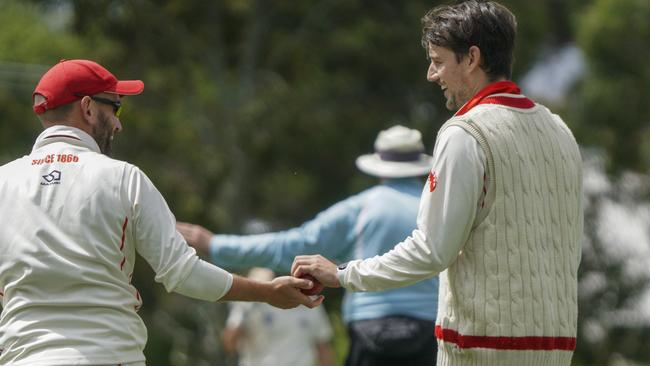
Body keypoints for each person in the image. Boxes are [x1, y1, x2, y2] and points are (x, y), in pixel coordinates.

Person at [291, 1, 583, 365]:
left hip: (481, 348)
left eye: (439, 60)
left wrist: (343, 274)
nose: (432, 74)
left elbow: (431, 250)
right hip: (555, 347)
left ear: (472, 58)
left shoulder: (466, 132)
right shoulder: (560, 131)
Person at [0, 59, 322, 366]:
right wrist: (267, 292)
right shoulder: (123, 178)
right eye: (115, 107)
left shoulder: (4, 182)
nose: (118, 123)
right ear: (87, 107)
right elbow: (184, 274)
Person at [177, 125, 440, 365]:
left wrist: (216, 245)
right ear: (419, 165)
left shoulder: (359, 209)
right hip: (431, 329)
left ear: (378, 164)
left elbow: (290, 246)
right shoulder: (436, 208)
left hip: (371, 330)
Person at [222, 268, 334, 366]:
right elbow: (230, 344)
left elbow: (322, 347)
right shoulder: (248, 303)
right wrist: (250, 301)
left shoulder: (311, 300)